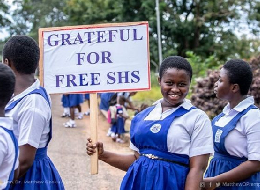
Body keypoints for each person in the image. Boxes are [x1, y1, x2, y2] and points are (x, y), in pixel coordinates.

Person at [86, 56, 213, 189]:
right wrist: (103, 155)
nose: (175, 89)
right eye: (169, 83)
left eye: (182, 84)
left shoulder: (197, 118)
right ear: (159, 80)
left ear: (189, 83)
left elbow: (197, 169)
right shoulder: (142, 117)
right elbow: (138, 160)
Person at [3, 35, 64, 189]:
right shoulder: (17, 95)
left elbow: (24, 161)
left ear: (6, 63)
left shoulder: (33, 103)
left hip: (27, 178)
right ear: (37, 63)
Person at [203, 59, 260, 190]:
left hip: (244, 184)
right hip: (215, 179)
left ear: (234, 87)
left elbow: (256, 164)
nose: (216, 84)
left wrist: (216, 181)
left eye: (220, 80)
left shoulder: (255, 118)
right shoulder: (223, 116)